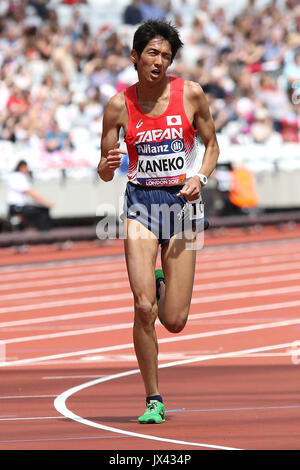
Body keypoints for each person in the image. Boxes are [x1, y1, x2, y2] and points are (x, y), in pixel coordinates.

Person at [97, 20, 219, 424]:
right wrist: (107, 164)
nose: (159, 61)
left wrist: (199, 177)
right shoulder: (118, 105)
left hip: (182, 208)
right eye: (152, 53)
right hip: (140, 207)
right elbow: (103, 169)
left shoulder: (191, 95)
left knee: (175, 320)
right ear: (135, 57)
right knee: (143, 307)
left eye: (166, 56)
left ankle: (162, 280)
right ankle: (153, 398)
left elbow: (212, 146)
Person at [6, 160, 53, 231]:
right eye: (26, 168)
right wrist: (45, 203)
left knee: (40, 209)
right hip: (16, 207)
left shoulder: (18, 176)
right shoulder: (17, 176)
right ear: (22, 167)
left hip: (19, 206)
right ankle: (45, 235)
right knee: (43, 211)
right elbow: (30, 192)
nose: (28, 170)